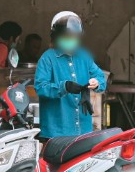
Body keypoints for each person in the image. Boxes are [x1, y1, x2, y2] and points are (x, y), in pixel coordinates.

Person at [35, 11, 107, 139]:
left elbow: (101, 77)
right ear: (56, 37)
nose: (71, 41)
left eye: (74, 38)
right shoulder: (47, 58)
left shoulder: (84, 56)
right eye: (66, 38)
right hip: (56, 130)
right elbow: (40, 87)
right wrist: (64, 87)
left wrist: (97, 82)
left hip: (83, 129)